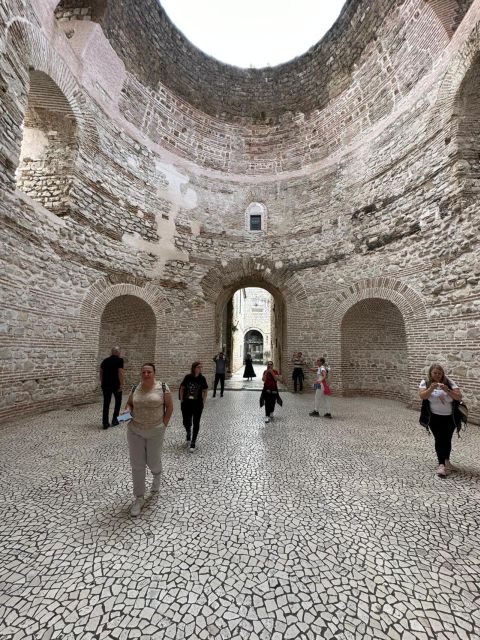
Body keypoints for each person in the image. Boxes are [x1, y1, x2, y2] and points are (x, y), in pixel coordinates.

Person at [122, 363, 173, 517]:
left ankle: (157, 475)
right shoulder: (134, 388)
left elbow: (170, 407)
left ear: (154, 373)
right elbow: (130, 404)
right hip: (135, 430)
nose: (145, 374)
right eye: (143, 372)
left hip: (155, 430)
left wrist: (163, 424)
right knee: (137, 464)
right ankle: (139, 498)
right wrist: (126, 412)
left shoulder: (163, 387)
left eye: (148, 372)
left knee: (153, 460)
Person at [419, 364, 462, 478]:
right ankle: (441, 464)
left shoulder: (449, 382)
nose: (437, 375)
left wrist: (447, 390)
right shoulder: (425, 382)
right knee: (439, 439)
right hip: (434, 417)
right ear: (431, 373)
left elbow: (458, 397)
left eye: (439, 373)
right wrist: (431, 388)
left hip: (450, 417)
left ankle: (447, 461)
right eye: (435, 373)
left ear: (442, 373)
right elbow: (423, 396)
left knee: (447, 439)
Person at [179, 361, 208, 452]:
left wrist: (203, 401)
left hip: (197, 404)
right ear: (194, 368)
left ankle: (193, 442)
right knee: (186, 421)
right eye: (198, 367)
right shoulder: (188, 377)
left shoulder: (202, 378)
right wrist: (182, 400)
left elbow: (205, 390)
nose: (200, 368)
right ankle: (188, 431)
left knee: (196, 422)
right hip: (186, 403)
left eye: (201, 367)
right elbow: (182, 388)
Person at [100, 346, 124, 429]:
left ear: (111, 352)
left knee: (106, 403)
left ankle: (105, 423)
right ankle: (115, 420)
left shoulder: (105, 360)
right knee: (118, 402)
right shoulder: (120, 360)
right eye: (120, 351)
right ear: (118, 352)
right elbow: (120, 372)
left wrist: (102, 383)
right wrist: (121, 384)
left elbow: (101, 373)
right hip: (116, 385)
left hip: (105, 385)